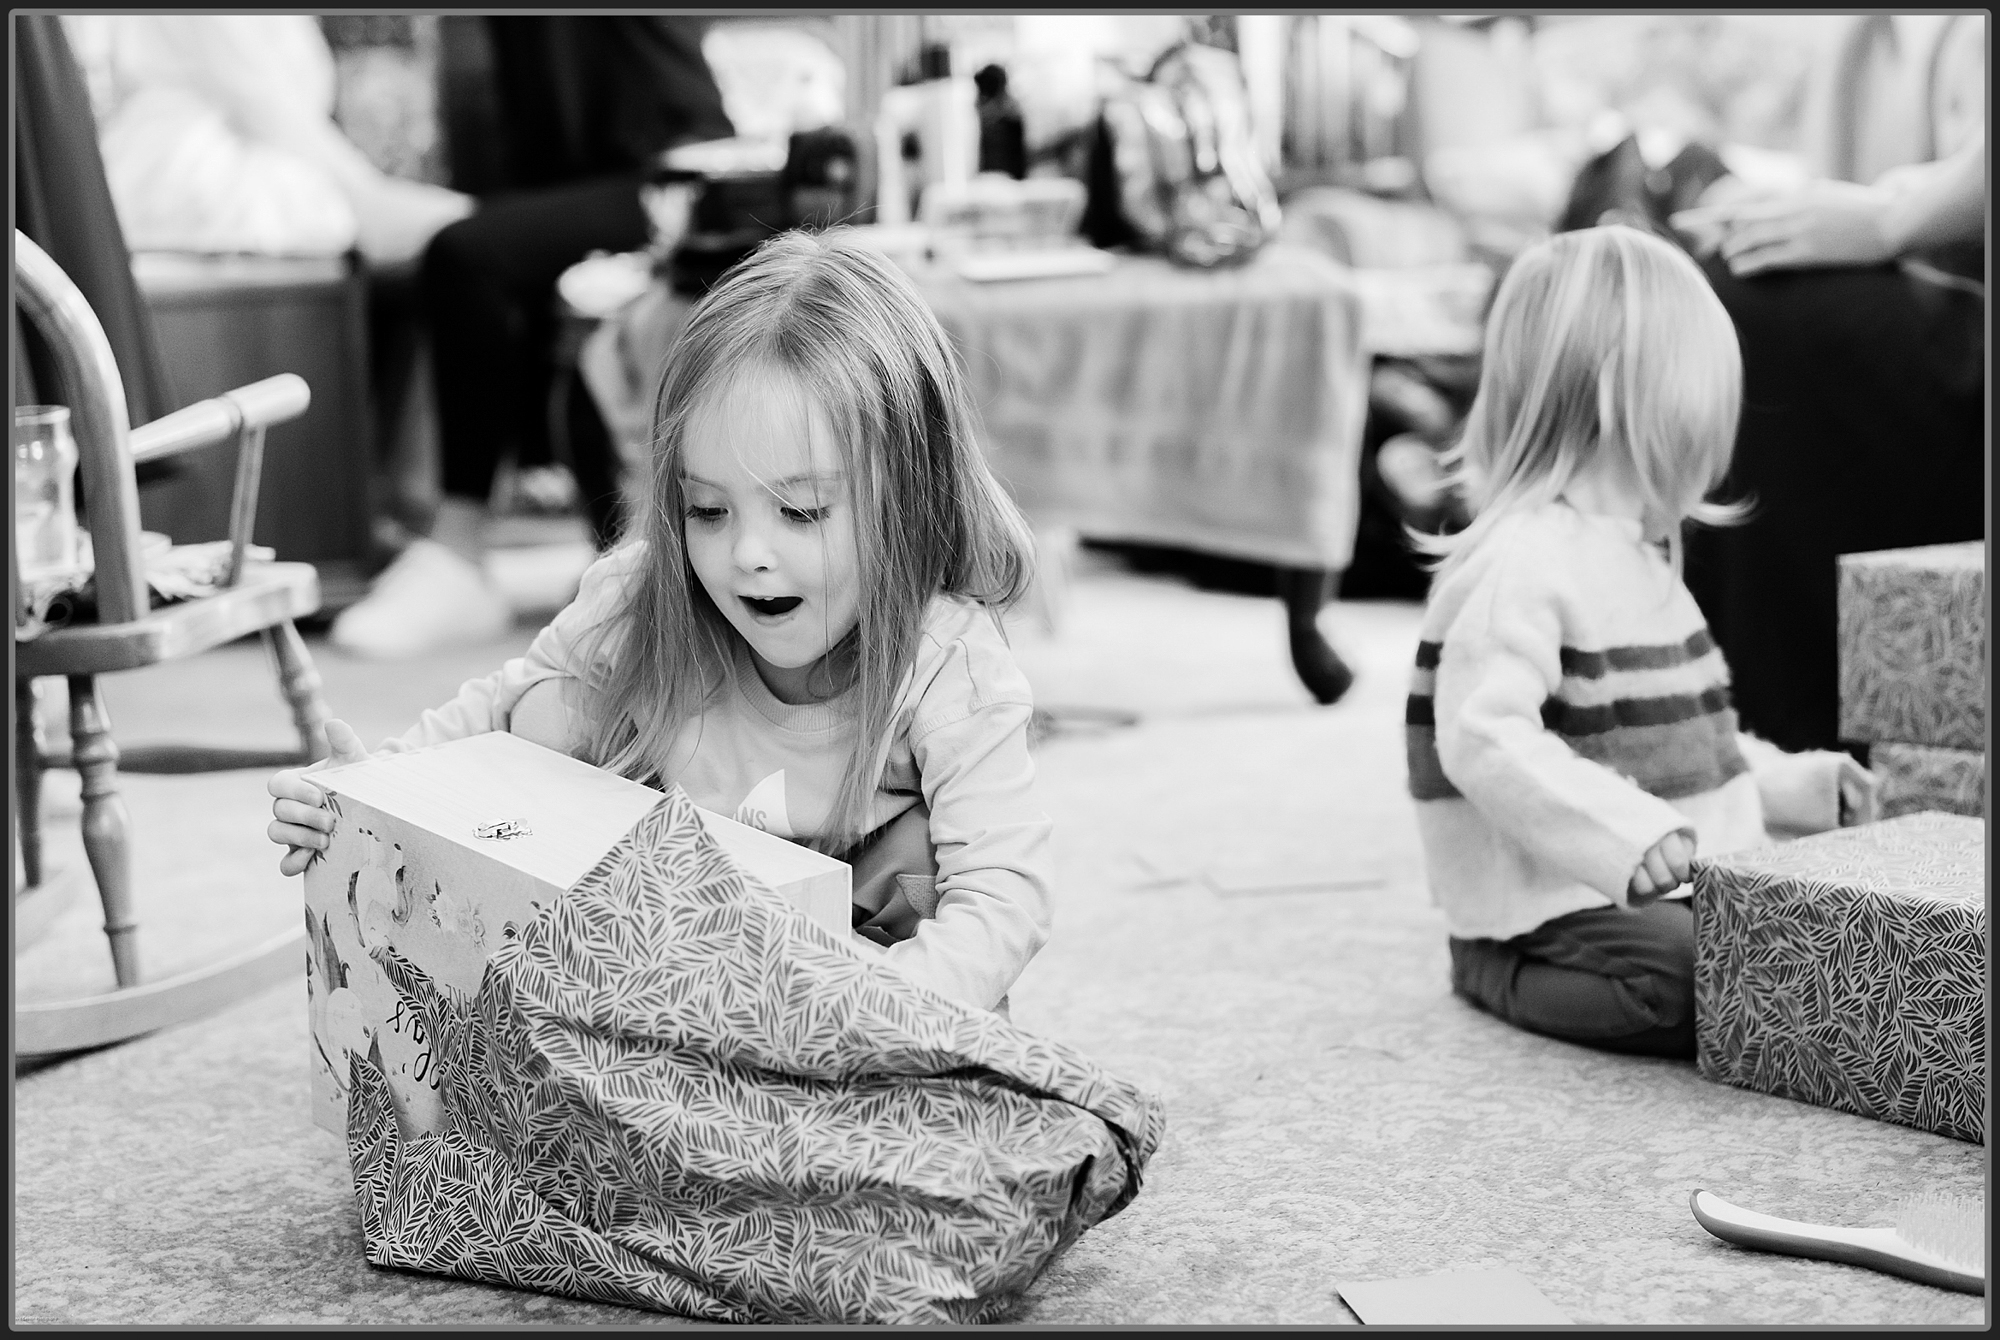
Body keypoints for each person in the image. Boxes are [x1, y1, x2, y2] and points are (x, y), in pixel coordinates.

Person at [268, 231, 1052, 1013]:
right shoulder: (643, 597)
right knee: (550, 712)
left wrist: (887, 1011)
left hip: (877, 1000)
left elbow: (1002, 900)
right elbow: (493, 719)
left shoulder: (951, 667)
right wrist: (368, 792)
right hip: (681, 974)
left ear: (912, 494)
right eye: (707, 510)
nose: (748, 553)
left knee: (930, 872)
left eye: (801, 511)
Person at [1405, 226, 1879, 1059]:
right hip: (1550, 897)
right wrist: (1626, 834)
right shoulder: (1520, 561)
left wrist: (1792, 785)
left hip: (1645, 879)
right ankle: (1488, 964)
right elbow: (1482, 740)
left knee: (1803, 940)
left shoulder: (1639, 557)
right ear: (1631, 403)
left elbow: (1691, 747)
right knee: (1689, 975)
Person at [329, 15, 736, 660]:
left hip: (680, 172)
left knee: (466, 254)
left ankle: (458, 548)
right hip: (596, 177)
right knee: (470, 253)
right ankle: (463, 544)